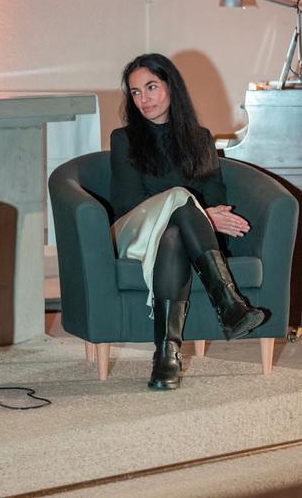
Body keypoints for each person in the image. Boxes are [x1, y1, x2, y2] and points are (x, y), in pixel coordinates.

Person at [111, 53, 266, 391]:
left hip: (184, 237)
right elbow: (127, 203)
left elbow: (215, 195)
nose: (143, 99)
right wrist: (203, 213)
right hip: (134, 232)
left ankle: (166, 357)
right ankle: (229, 305)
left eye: (151, 87)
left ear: (171, 87)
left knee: (174, 236)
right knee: (180, 197)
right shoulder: (123, 139)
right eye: (135, 92)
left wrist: (200, 213)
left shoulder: (200, 138)